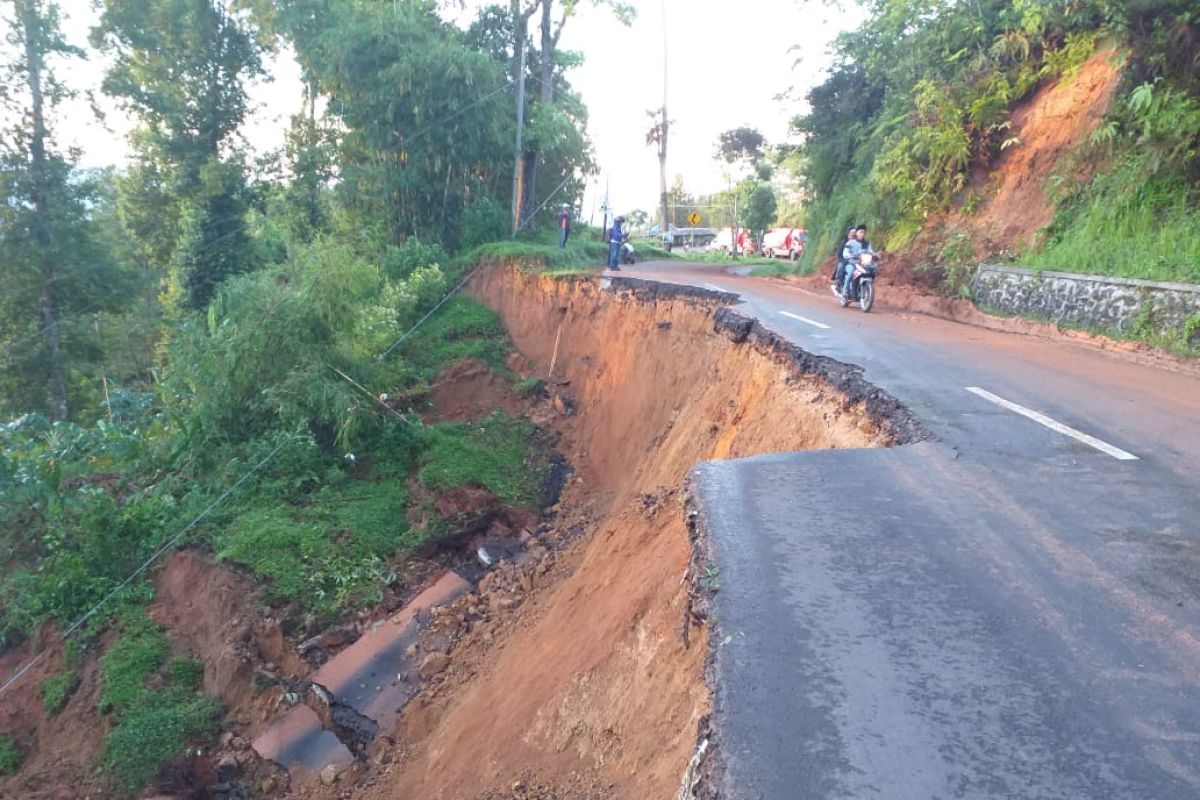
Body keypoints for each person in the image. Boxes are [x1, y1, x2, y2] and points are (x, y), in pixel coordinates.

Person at [841, 224, 875, 298]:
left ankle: (866, 288)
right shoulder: (850, 242)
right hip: (852, 263)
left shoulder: (867, 244)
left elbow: (871, 251)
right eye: (861, 232)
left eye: (864, 232)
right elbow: (845, 252)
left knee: (873, 269)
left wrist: (875, 255)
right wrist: (850, 256)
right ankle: (845, 290)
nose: (862, 234)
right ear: (856, 233)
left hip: (863, 263)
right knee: (851, 272)